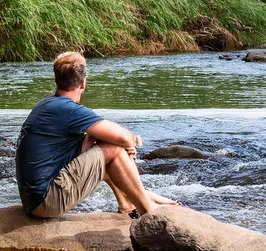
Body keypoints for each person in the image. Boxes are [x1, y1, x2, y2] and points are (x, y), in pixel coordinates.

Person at [15, 51, 177, 218]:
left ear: (57, 80)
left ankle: (127, 205)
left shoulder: (47, 105)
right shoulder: (68, 109)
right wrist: (130, 147)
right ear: (83, 83)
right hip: (46, 201)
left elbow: (93, 143)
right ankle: (149, 211)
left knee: (101, 149)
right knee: (113, 148)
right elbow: (122, 137)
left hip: (33, 200)